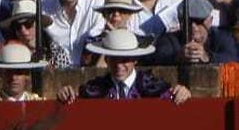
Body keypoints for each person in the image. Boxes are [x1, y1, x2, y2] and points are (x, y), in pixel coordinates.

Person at [58, 28, 192, 102]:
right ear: (107, 60)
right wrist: (66, 94)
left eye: (125, 60)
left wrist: (183, 93)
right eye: (114, 59)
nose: (119, 65)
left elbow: (177, 98)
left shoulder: (154, 87)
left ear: (135, 60)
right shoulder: (95, 89)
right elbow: (73, 100)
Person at [149, 0, 239, 66]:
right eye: (188, 22)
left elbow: (233, 58)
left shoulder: (222, 37)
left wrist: (207, 57)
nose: (193, 27)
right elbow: (158, 57)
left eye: (198, 21)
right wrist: (178, 57)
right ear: (180, 22)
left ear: (209, 21)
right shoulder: (170, 40)